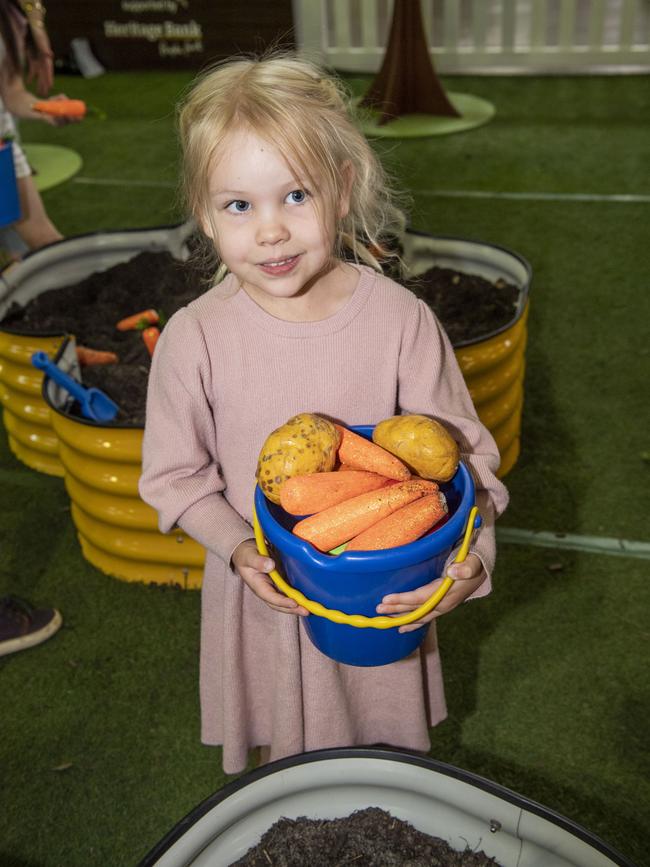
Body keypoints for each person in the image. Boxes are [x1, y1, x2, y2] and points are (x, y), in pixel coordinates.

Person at [139, 52, 509, 775]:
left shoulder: (402, 320)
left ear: (343, 190)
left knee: (381, 756)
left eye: (295, 196)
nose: (270, 230)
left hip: (380, 593)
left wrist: (473, 560)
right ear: (205, 217)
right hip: (268, 592)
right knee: (289, 763)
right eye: (238, 205)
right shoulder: (194, 338)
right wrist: (241, 547)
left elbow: (468, 464)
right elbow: (174, 476)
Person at [0, 0, 75, 252]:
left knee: (46, 244)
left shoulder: (9, 16)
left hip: (2, 152)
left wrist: (45, 111)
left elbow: (12, 94)